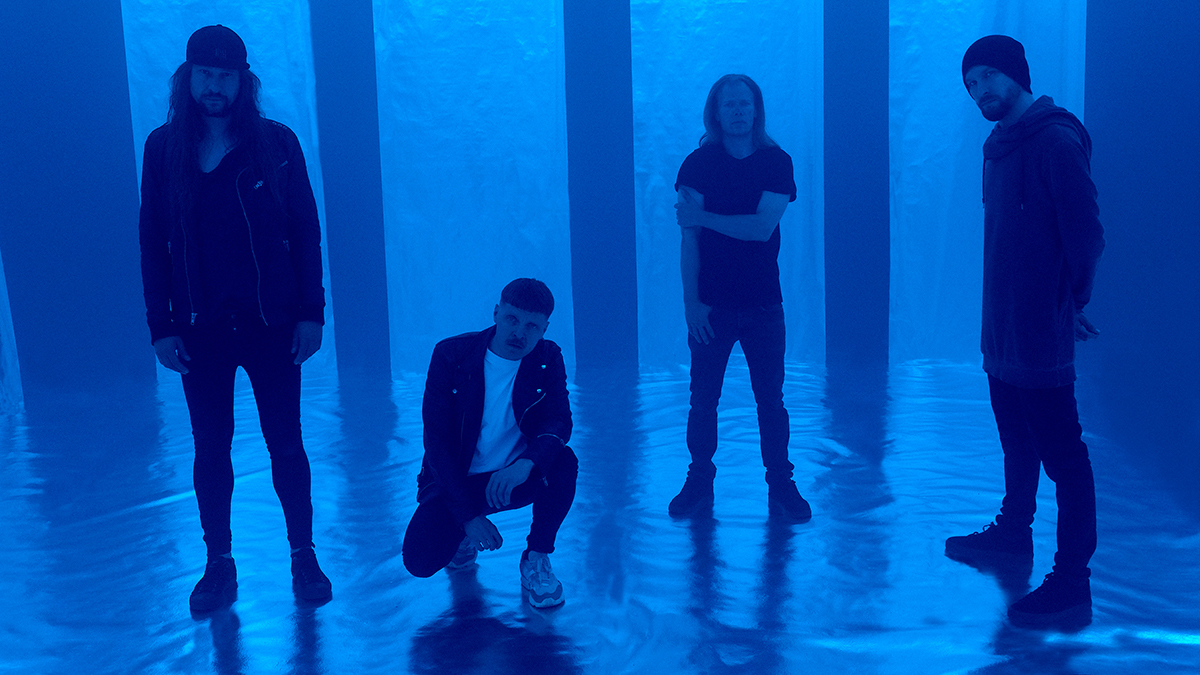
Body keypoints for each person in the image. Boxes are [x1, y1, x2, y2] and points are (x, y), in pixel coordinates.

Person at [138, 25, 331, 612]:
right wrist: (160, 325)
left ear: (243, 82)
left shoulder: (276, 143)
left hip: (273, 324)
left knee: (286, 444)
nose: (215, 86)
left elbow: (305, 230)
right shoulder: (163, 148)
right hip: (199, 328)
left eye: (226, 76)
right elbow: (151, 241)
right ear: (188, 78)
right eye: (206, 74)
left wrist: (312, 312)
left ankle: (303, 556)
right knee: (210, 447)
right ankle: (218, 563)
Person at [947, 35, 1104, 629]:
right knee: (1016, 440)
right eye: (971, 83)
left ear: (1016, 73)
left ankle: (1072, 583)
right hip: (1003, 327)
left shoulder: (1056, 140)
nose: (980, 90)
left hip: (1037, 334)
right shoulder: (997, 145)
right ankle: (1014, 532)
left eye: (988, 75)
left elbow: (1085, 235)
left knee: (1065, 457)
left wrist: (1070, 300)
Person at [670, 74, 811, 522]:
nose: (737, 111)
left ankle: (781, 482)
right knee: (702, 400)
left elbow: (761, 229)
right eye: (728, 104)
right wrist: (691, 303)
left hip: (763, 304)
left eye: (744, 103)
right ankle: (698, 480)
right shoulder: (696, 165)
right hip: (710, 306)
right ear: (715, 112)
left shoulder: (777, 162)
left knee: (771, 400)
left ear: (756, 109)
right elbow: (689, 241)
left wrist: (702, 215)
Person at [402, 279, 578, 608]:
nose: (519, 333)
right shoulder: (451, 355)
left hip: (513, 478)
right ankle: (461, 540)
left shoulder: (547, 357)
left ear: (544, 329)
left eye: (532, 326)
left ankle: (536, 558)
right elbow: (436, 442)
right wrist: (467, 518)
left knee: (562, 462)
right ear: (496, 313)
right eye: (512, 319)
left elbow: (559, 421)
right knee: (420, 560)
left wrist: (526, 463)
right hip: (456, 481)